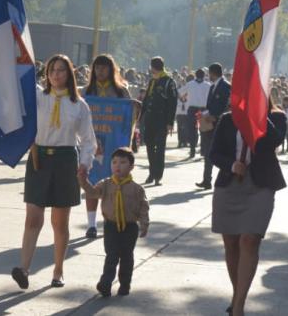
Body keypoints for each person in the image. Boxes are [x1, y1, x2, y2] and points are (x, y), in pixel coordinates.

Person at [11, 54, 96, 289]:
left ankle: (58, 270)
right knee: (33, 218)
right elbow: (18, 80)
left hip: (65, 160)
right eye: (51, 70)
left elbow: (88, 140)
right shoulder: (39, 97)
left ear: (69, 73)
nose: (56, 74)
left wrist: (84, 164)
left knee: (59, 222)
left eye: (60, 70)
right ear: (46, 74)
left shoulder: (79, 105)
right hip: (39, 159)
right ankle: (24, 269)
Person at [211, 104, 287, 316]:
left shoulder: (277, 118)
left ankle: (238, 306)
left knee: (249, 240)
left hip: (261, 185)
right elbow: (213, 153)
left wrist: (260, 115)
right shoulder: (227, 119)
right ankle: (237, 294)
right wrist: (231, 165)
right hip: (230, 184)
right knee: (231, 243)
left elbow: (275, 140)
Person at [78, 148, 149, 297]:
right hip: (110, 226)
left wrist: (144, 223)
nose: (118, 165)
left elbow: (143, 207)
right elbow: (92, 193)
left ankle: (125, 284)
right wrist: (83, 181)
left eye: (123, 162)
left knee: (126, 257)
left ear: (131, 167)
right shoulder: (105, 184)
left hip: (130, 228)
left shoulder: (137, 189)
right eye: (114, 162)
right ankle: (106, 283)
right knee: (111, 255)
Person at [81, 54, 132, 239]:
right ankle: (92, 224)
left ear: (111, 70)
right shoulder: (86, 91)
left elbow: (129, 118)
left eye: (104, 67)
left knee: (114, 184)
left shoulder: (121, 92)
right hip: (91, 144)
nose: (100, 71)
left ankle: (111, 221)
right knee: (91, 182)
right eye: (97, 67)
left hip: (114, 145)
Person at [141, 57, 178, 185]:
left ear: (154, 67)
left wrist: (170, 122)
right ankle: (151, 173)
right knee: (149, 146)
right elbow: (147, 100)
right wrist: (141, 116)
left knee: (160, 148)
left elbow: (173, 103)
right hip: (150, 119)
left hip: (162, 120)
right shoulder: (152, 81)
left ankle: (158, 175)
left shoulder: (169, 82)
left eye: (151, 67)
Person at [197, 63, 231, 190]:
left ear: (213, 73)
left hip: (221, 125)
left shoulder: (226, 86)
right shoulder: (212, 88)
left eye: (209, 74)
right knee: (208, 153)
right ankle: (207, 180)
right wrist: (204, 114)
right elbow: (209, 107)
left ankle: (226, 180)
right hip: (209, 125)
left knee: (222, 154)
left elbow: (228, 106)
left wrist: (216, 117)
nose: (208, 76)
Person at [180, 69, 211, 158]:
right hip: (203, 109)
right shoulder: (208, 85)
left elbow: (180, 92)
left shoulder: (189, 84)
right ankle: (203, 151)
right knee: (204, 130)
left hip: (192, 109)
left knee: (192, 130)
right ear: (204, 75)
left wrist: (184, 98)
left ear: (195, 75)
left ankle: (192, 150)